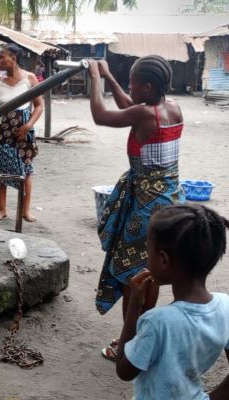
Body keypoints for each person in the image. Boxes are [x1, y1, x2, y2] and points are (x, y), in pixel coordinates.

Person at [87, 56, 185, 361]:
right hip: (170, 199)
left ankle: (130, 343)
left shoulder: (144, 115)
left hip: (145, 209)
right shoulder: (172, 108)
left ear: (148, 86)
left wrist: (94, 77)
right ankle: (143, 335)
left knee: (135, 275)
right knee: (150, 271)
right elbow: (130, 105)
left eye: (132, 81)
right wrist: (110, 78)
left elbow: (102, 116)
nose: (128, 86)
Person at [115, 204, 229, 400]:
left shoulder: (158, 322)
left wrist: (134, 306)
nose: (146, 258)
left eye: (148, 250)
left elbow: (124, 371)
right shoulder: (225, 305)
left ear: (163, 260)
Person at [0, 44, 43, 224]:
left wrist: (28, 126)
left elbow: (39, 106)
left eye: (2, 57)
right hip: (0, 133)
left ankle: (25, 210)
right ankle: (2, 210)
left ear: (13, 58)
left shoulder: (29, 79)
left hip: (22, 134)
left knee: (26, 171)